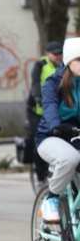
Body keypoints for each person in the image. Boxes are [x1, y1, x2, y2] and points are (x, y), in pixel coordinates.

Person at [36, 38, 80, 221]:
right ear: (69, 61)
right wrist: (56, 125)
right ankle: (51, 198)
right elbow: (49, 106)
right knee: (70, 158)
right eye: (79, 60)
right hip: (51, 135)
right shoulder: (53, 82)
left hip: (76, 134)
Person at [28, 41, 63, 187]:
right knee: (40, 143)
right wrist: (39, 98)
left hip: (54, 112)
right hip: (37, 111)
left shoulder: (64, 67)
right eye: (55, 54)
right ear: (47, 54)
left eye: (59, 54)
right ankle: (40, 178)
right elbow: (36, 83)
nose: (58, 57)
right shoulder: (40, 65)